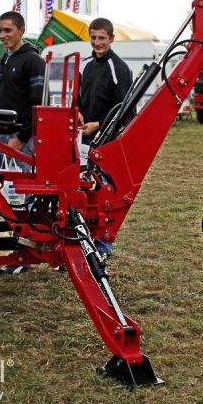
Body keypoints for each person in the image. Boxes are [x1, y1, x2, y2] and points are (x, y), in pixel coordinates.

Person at [0, 11, 45, 274]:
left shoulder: (33, 61)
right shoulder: (5, 59)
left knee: (20, 196)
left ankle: (23, 251)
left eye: (8, 30)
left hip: (17, 139)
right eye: (0, 30)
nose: (3, 35)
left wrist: (22, 137)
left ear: (21, 30)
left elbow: (36, 105)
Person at [77, 17, 133, 260]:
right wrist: (78, 113)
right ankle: (83, 239)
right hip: (85, 138)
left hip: (107, 140)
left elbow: (125, 110)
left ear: (111, 38)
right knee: (85, 190)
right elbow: (79, 96)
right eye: (93, 37)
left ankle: (102, 246)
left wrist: (98, 125)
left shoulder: (119, 68)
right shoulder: (87, 65)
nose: (97, 42)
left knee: (104, 192)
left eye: (102, 38)